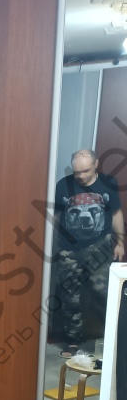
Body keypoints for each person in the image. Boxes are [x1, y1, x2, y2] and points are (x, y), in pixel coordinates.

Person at [55, 148, 125, 357]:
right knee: (69, 296)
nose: (81, 176)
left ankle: (114, 341)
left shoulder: (108, 183)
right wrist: (54, 243)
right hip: (69, 250)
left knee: (105, 295)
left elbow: (116, 214)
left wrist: (120, 243)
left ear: (96, 165)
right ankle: (72, 342)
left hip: (100, 248)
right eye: (77, 172)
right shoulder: (63, 185)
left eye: (85, 171)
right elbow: (57, 216)